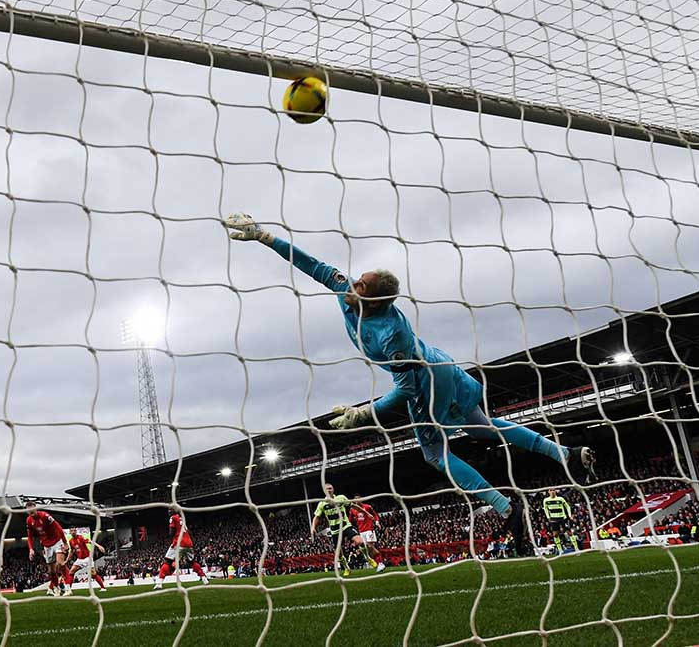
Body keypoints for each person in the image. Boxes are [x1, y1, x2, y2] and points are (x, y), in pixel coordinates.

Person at [225, 213, 598, 556]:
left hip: (427, 379)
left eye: (362, 284)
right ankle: (565, 453)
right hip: (442, 365)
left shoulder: (393, 334)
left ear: (375, 301)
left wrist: (364, 414)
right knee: (483, 427)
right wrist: (264, 237)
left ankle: (505, 507)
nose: (353, 283)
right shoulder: (347, 293)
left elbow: (405, 390)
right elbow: (311, 264)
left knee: (434, 454)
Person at [310, 483, 366, 577]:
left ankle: (368, 558)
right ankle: (347, 568)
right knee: (338, 554)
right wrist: (313, 527)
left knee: (360, 541)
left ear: (333, 489)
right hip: (335, 531)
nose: (329, 490)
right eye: (327, 489)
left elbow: (352, 505)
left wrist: (365, 512)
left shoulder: (341, 498)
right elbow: (316, 517)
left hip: (345, 526)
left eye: (330, 488)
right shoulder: (322, 504)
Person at [153, 508, 209, 590]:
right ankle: (204, 579)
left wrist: (170, 535)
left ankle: (159, 583)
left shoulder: (173, 518)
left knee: (167, 562)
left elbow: (171, 533)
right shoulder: (181, 519)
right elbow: (188, 531)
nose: (169, 512)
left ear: (175, 511)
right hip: (188, 543)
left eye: (171, 510)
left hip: (179, 542)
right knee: (192, 562)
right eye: (168, 510)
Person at [25, 502, 68, 597]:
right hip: (46, 545)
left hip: (57, 541)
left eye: (32, 509)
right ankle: (56, 589)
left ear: (35, 508)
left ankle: (68, 587)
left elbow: (58, 527)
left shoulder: (45, 516)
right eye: (28, 510)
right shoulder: (29, 520)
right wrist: (31, 549)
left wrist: (65, 542)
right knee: (51, 571)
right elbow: (29, 536)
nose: (31, 511)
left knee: (60, 563)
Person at [64, 528, 107, 594]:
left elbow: (90, 541)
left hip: (87, 558)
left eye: (74, 530)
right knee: (71, 572)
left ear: (76, 531)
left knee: (93, 574)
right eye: (71, 531)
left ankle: (103, 588)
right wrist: (66, 560)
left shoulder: (80, 537)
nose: (73, 532)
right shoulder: (71, 541)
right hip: (79, 559)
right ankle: (69, 590)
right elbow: (72, 551)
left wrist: (99, 546)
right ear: (70, 532)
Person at [349, 496, 385, 572]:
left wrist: (377, 522)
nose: (357, 500)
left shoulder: (367, 507)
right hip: (361, 531)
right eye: (355, 499)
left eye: (358, 499)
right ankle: (378, 563)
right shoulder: (352, 510)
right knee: (368, 549)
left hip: (369, 529)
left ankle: (381, 563)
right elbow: (350, 520)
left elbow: (375, 515)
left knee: (370, 546)